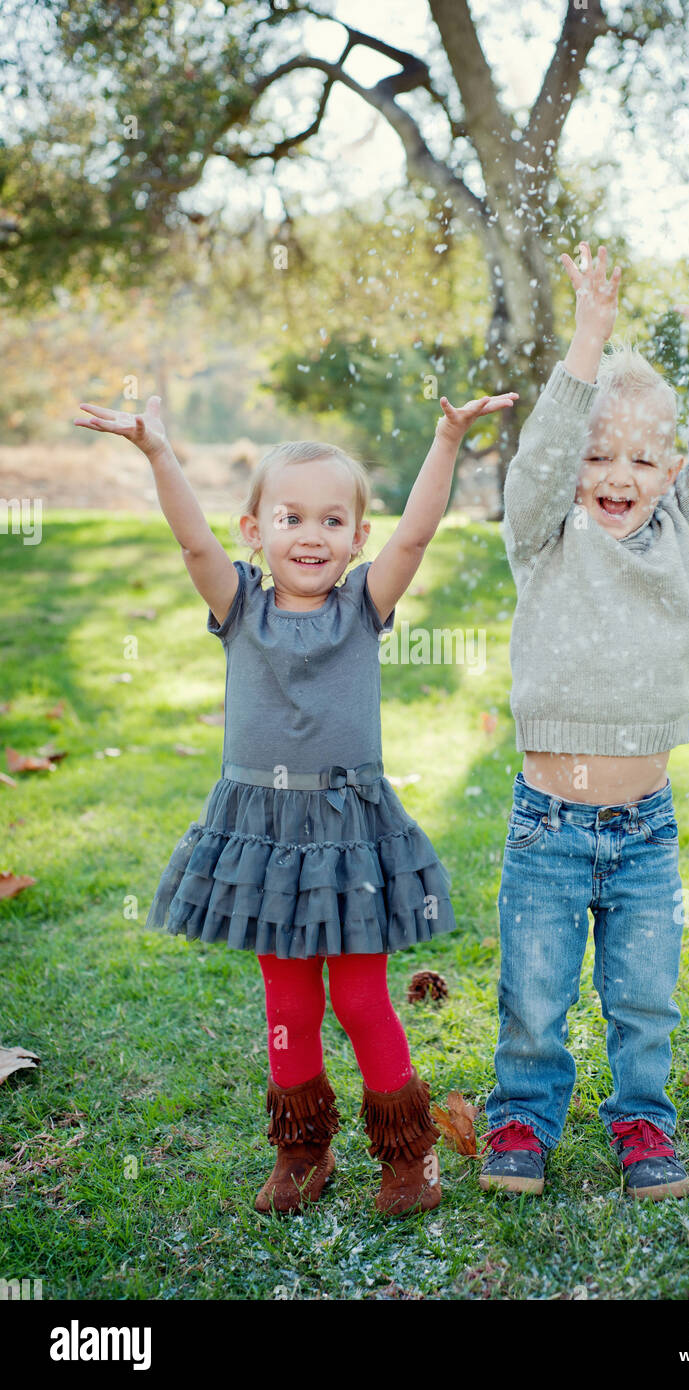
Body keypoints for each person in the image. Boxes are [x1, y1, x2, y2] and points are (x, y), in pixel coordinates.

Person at [74, 380, 517, 1217]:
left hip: (349, 832)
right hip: (264, 837)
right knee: (287, 1002)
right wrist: (160, 452)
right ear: (256, 529)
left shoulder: (362, 607)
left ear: (356, 537)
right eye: (291, 517)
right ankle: (303, 1148)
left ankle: (405, 1151)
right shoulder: (240, 606)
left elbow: (419, 535)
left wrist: (448, 442)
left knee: (358, 999)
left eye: (331, 520)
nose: (311, 535)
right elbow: (192, 545)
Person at [480, 242, 689, 1200]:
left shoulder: (682, 525)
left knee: (643, 999)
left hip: (645, 827)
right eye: (599, 455)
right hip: (546, 824)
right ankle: (520, 1119)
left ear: (670, 468)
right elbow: (544, 453)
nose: (618, 473)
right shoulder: (545, 530)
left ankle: (644, 1124)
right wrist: (589, 338)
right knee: (536, 995)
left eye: (644, 457)